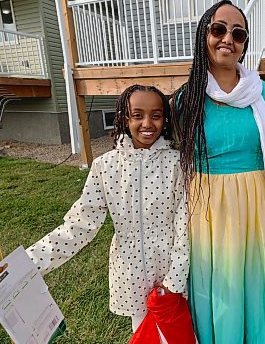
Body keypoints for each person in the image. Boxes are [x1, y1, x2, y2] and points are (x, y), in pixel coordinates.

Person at [171, 0, 265, 344]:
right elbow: (161, 148)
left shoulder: (264, 95)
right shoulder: (188, 99)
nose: (227, 38)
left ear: (244, 44)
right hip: (208, 207)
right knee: (218, 281)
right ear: (204, 35)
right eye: (218, 29)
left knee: (254, 278)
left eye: (238, 33)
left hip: (255, 204)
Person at [26, 85, 189, 335]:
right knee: (143, 334)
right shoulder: (105, 167)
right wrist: (29, 263)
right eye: (137, 115)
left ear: (165, 119)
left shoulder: (177, 164)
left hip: (171, 269)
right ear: (124, 117)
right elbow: (79, 225)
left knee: (179, 333)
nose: (147, 123)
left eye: (156, 115)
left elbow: (185, 223)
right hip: (131, 272)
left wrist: (174, 280)